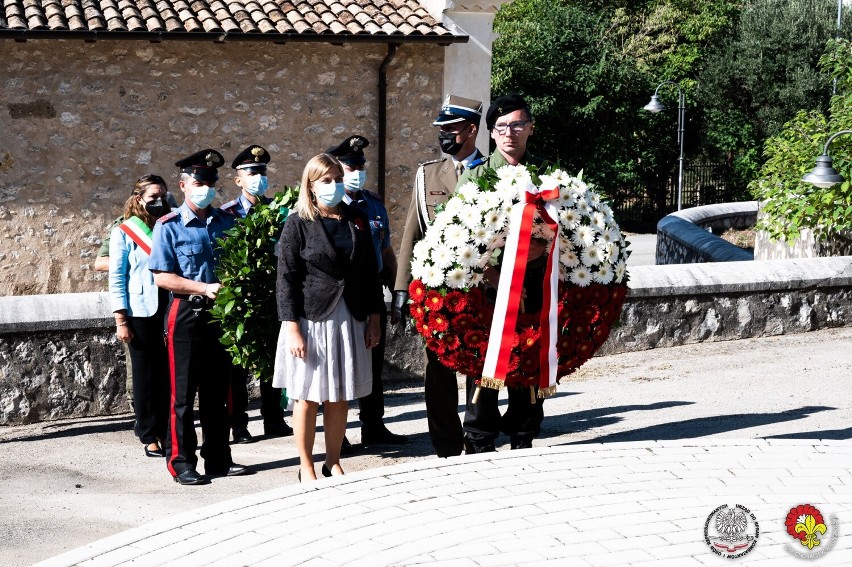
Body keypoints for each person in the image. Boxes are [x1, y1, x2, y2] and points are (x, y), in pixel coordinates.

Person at [272, 153, 384, 482]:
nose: (334, 185)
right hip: (310, 320)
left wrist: (375, 318)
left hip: (350, 317)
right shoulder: (297, 222)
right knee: (306, 395)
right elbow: (286, 278)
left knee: (339, 395)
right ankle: (306, 464)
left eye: (337, 178)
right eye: (326, 180)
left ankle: (332, 460)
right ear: (311, 185)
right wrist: (291, 328)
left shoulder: (357, 218)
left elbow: (369, 273)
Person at [148, 149, 250, 485]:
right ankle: (180, 461)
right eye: (198, 181)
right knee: (183, 394)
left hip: (221, 314)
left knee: (216, 392)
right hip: (187, 312)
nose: (204, 187)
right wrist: (203, 287)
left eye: (209, 182)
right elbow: (162, 276)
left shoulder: (227, 222)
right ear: (184, 184)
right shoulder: (169, 226)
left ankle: (219, 458)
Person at [392, 95, 485, 458]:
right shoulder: (428, 174)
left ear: (471, 130)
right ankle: (446, 442)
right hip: (437, 292)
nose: (444, 136)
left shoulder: (494, 170)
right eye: (441, 130)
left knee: (480, 365)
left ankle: (479, 435)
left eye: (451, 130)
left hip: (480, 288)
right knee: (439, 368)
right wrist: (402, 288)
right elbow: (410, 235)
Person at [456, 94, 550, 453]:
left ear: (530, 128)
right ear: (492, 134)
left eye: (517, 124)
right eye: (501, 127)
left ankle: (524, 433)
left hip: (536, 285)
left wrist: (543, 248)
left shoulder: (547, 174)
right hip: (489, 289)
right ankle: (479, 438)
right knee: (487, 361)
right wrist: (493, 272)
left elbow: (566, 229)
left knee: (528, 359)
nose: (510, 133)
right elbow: (459, 238)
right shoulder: (476, 177)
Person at [325, 135, 406, 446]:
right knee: (339, 364)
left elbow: (385, 251)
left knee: (373, 361)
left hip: (371, 290)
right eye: (350, 166)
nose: (357, 171)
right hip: (339, 294)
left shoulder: (372, 203)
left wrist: (398, 290)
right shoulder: (328, 206)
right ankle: (338, 434)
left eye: (360, 165)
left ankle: (373, 425)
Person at [220, 145, 293, 443]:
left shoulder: (278, 210)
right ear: (239, 179)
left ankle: (274, 418)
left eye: (262, 172)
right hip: (241, 299)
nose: (258, 177)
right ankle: (238, 423)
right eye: (251, 173)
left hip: (272, 295)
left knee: (272, 359)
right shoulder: (227, 215)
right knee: (238, 365)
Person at [108, 175, 171, 459]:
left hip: (168, 308)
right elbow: (117, 278)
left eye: (163, 196)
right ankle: (148, 434)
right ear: (138, 199)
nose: (159, 202)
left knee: (167, 375)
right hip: (139, 313)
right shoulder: (123, 232)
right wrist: (121, 320)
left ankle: (167, 430)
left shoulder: (169, 225)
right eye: (153, 197)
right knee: (145, 377)